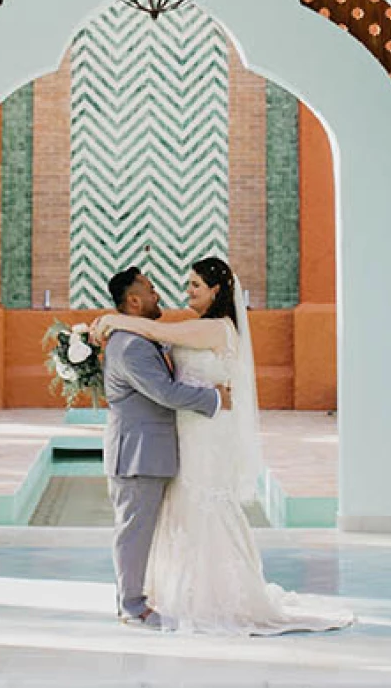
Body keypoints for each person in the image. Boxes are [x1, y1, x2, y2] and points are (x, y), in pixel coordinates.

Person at [92, 257, 355, 635]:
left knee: (206, 507)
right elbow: (158, 350)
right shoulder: (173, 333)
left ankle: (216, 596)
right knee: (177, 515)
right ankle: (166, 596)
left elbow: (157, 336)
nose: (185, 292)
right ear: (133, 300)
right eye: (186, 285)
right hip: (183, 435)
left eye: (195, 285)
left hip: (203, 435)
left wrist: (112, 320)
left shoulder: (215, 329)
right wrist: (113, 322)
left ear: (216, 291)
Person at [97, 265, 229, 629]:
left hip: (149, 451)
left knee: (140, 529)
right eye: (151, 290)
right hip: (137, 453)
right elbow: (166, 393)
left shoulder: (137, 338)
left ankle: (138, 598)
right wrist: (214, 399)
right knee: (134, 531)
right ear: (135, 301)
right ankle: (132, 606)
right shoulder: (131, 347)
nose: (159, 296)